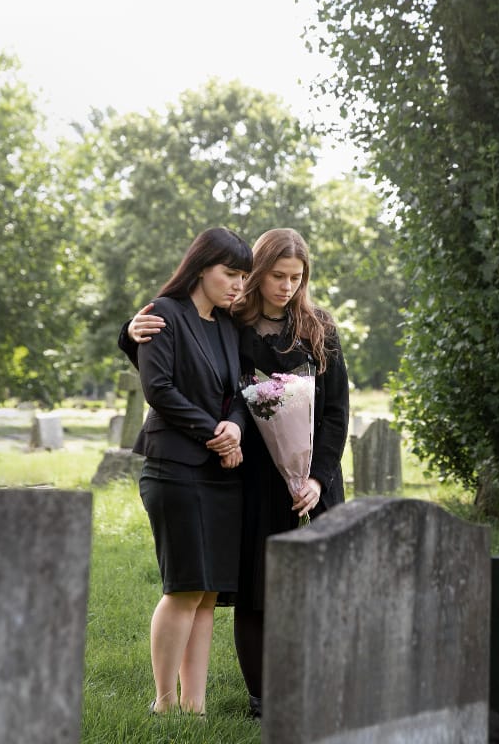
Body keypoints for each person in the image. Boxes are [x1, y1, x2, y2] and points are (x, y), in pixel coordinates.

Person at [120, 228, 349, 719]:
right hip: (249, 476)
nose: (287, 286)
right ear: (256, 275)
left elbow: (334, 413)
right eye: (276, 276)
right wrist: (127, 331)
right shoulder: (235, 322)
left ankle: (322, 682)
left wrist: (316, 478)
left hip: (311, 478)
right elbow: (178, 350)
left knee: (317, 586)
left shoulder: (318, 329)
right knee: (252, 588)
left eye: (298, 277)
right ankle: (259, 697)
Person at [127, 226, 253, 716]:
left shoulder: (227, 326)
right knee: (181, 587)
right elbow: (158, 388)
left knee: (206, 595)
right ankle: (163, 703)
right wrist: (214, 433)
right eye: (231, 273)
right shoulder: (162, 315)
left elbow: (239, 393)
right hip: (173, 467)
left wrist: (236, 430)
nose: (239, 284)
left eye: (245, 276)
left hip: (221, 474)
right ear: (202, 267)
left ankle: (194, 707)